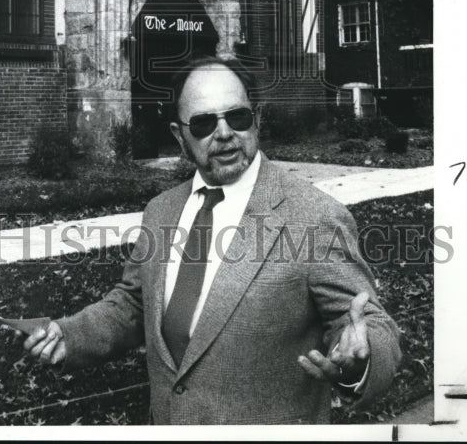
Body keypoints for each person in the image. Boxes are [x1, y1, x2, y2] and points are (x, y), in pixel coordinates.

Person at [23, 56, 401, 425]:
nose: (224, 133)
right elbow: (134, 305)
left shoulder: (314, 216)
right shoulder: (161, 211)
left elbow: (365, 323)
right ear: (180, 136)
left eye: (237, 117)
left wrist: (361, 363)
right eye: (203, 123)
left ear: (257, 120)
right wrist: (69, 335)